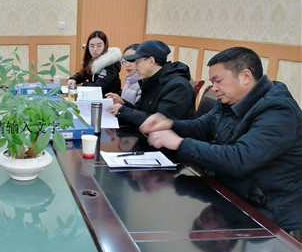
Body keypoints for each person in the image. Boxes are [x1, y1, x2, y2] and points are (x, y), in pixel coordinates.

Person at [140, 46, 302, 233]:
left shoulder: (278, 110)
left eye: (218, 81)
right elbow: (202, 127)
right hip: (230, 192)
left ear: (245, 76)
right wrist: (169, 124)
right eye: (212, 82)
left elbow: (240, 159)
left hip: (267, 213)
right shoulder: (230, 100)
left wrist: (179, 143)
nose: (214, 88)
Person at [106, 39, 195, 126]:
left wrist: (123, 110)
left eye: (137, 63)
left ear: (151, 61)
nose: (136, 68)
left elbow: (159, 122)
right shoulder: (152, 80)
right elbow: (142, 111)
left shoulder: (177, 86)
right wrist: (123, 103)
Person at [66, 30, 122, 95]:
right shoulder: (94, 60)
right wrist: (74, 79)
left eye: (99, 46)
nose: (95, 49)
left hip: (109, 98)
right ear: (88, 47)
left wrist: (83, 84)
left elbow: (98, 87)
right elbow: (84, 73)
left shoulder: (110, 63)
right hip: (95, 96)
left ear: (105, 46)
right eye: (92, 46)